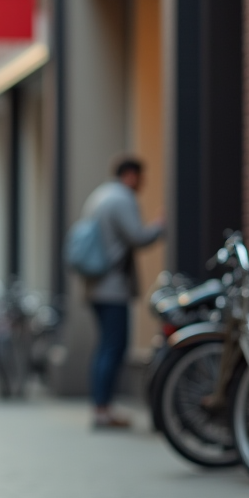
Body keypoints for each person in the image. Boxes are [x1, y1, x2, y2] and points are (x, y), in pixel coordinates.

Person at [79, 156, 164, 429]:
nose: (143, 184)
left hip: (95, 285)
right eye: (141, 177)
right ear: (130, 175)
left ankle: (101, 407)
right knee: (114, 347)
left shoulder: (99, 196)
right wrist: (161, 224)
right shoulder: (121, 199)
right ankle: (103, 410)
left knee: (104, 346)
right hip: (112, 286)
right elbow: (138, 237)